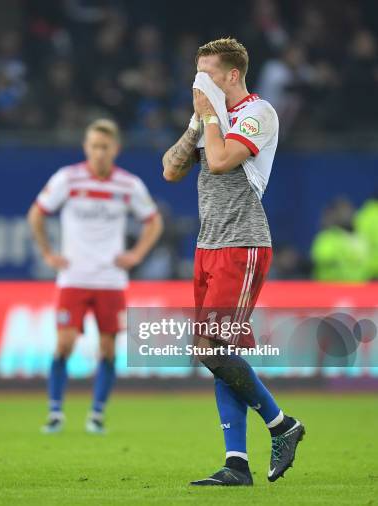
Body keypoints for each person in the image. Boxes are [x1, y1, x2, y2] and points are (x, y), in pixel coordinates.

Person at [162, 37, 305, 485]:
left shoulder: (258, 113)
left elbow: (222, 161)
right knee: (219, 354)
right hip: (208, 246)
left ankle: (283, 425)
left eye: (207, 74)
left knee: (212, 349)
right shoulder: (206, 116)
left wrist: (209, 116)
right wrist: (198, 120)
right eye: (196, 74)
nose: (199, 83)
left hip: (242, 244)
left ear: (232, 75)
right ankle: (237, 464)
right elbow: (170, 169)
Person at [28, 119, 163, 434]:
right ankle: (55, 412)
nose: (98, 153)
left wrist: (137, 255)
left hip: (110, 279)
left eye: (104, 147)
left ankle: (97, 414)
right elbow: (36, 213)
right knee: (64, 343)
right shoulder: (68, 179)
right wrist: (48, 253)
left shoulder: (128, 185)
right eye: (93, 146)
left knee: (108, 349)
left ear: (115, 149)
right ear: (85, 147)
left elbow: (153, 221)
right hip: (73, 277)